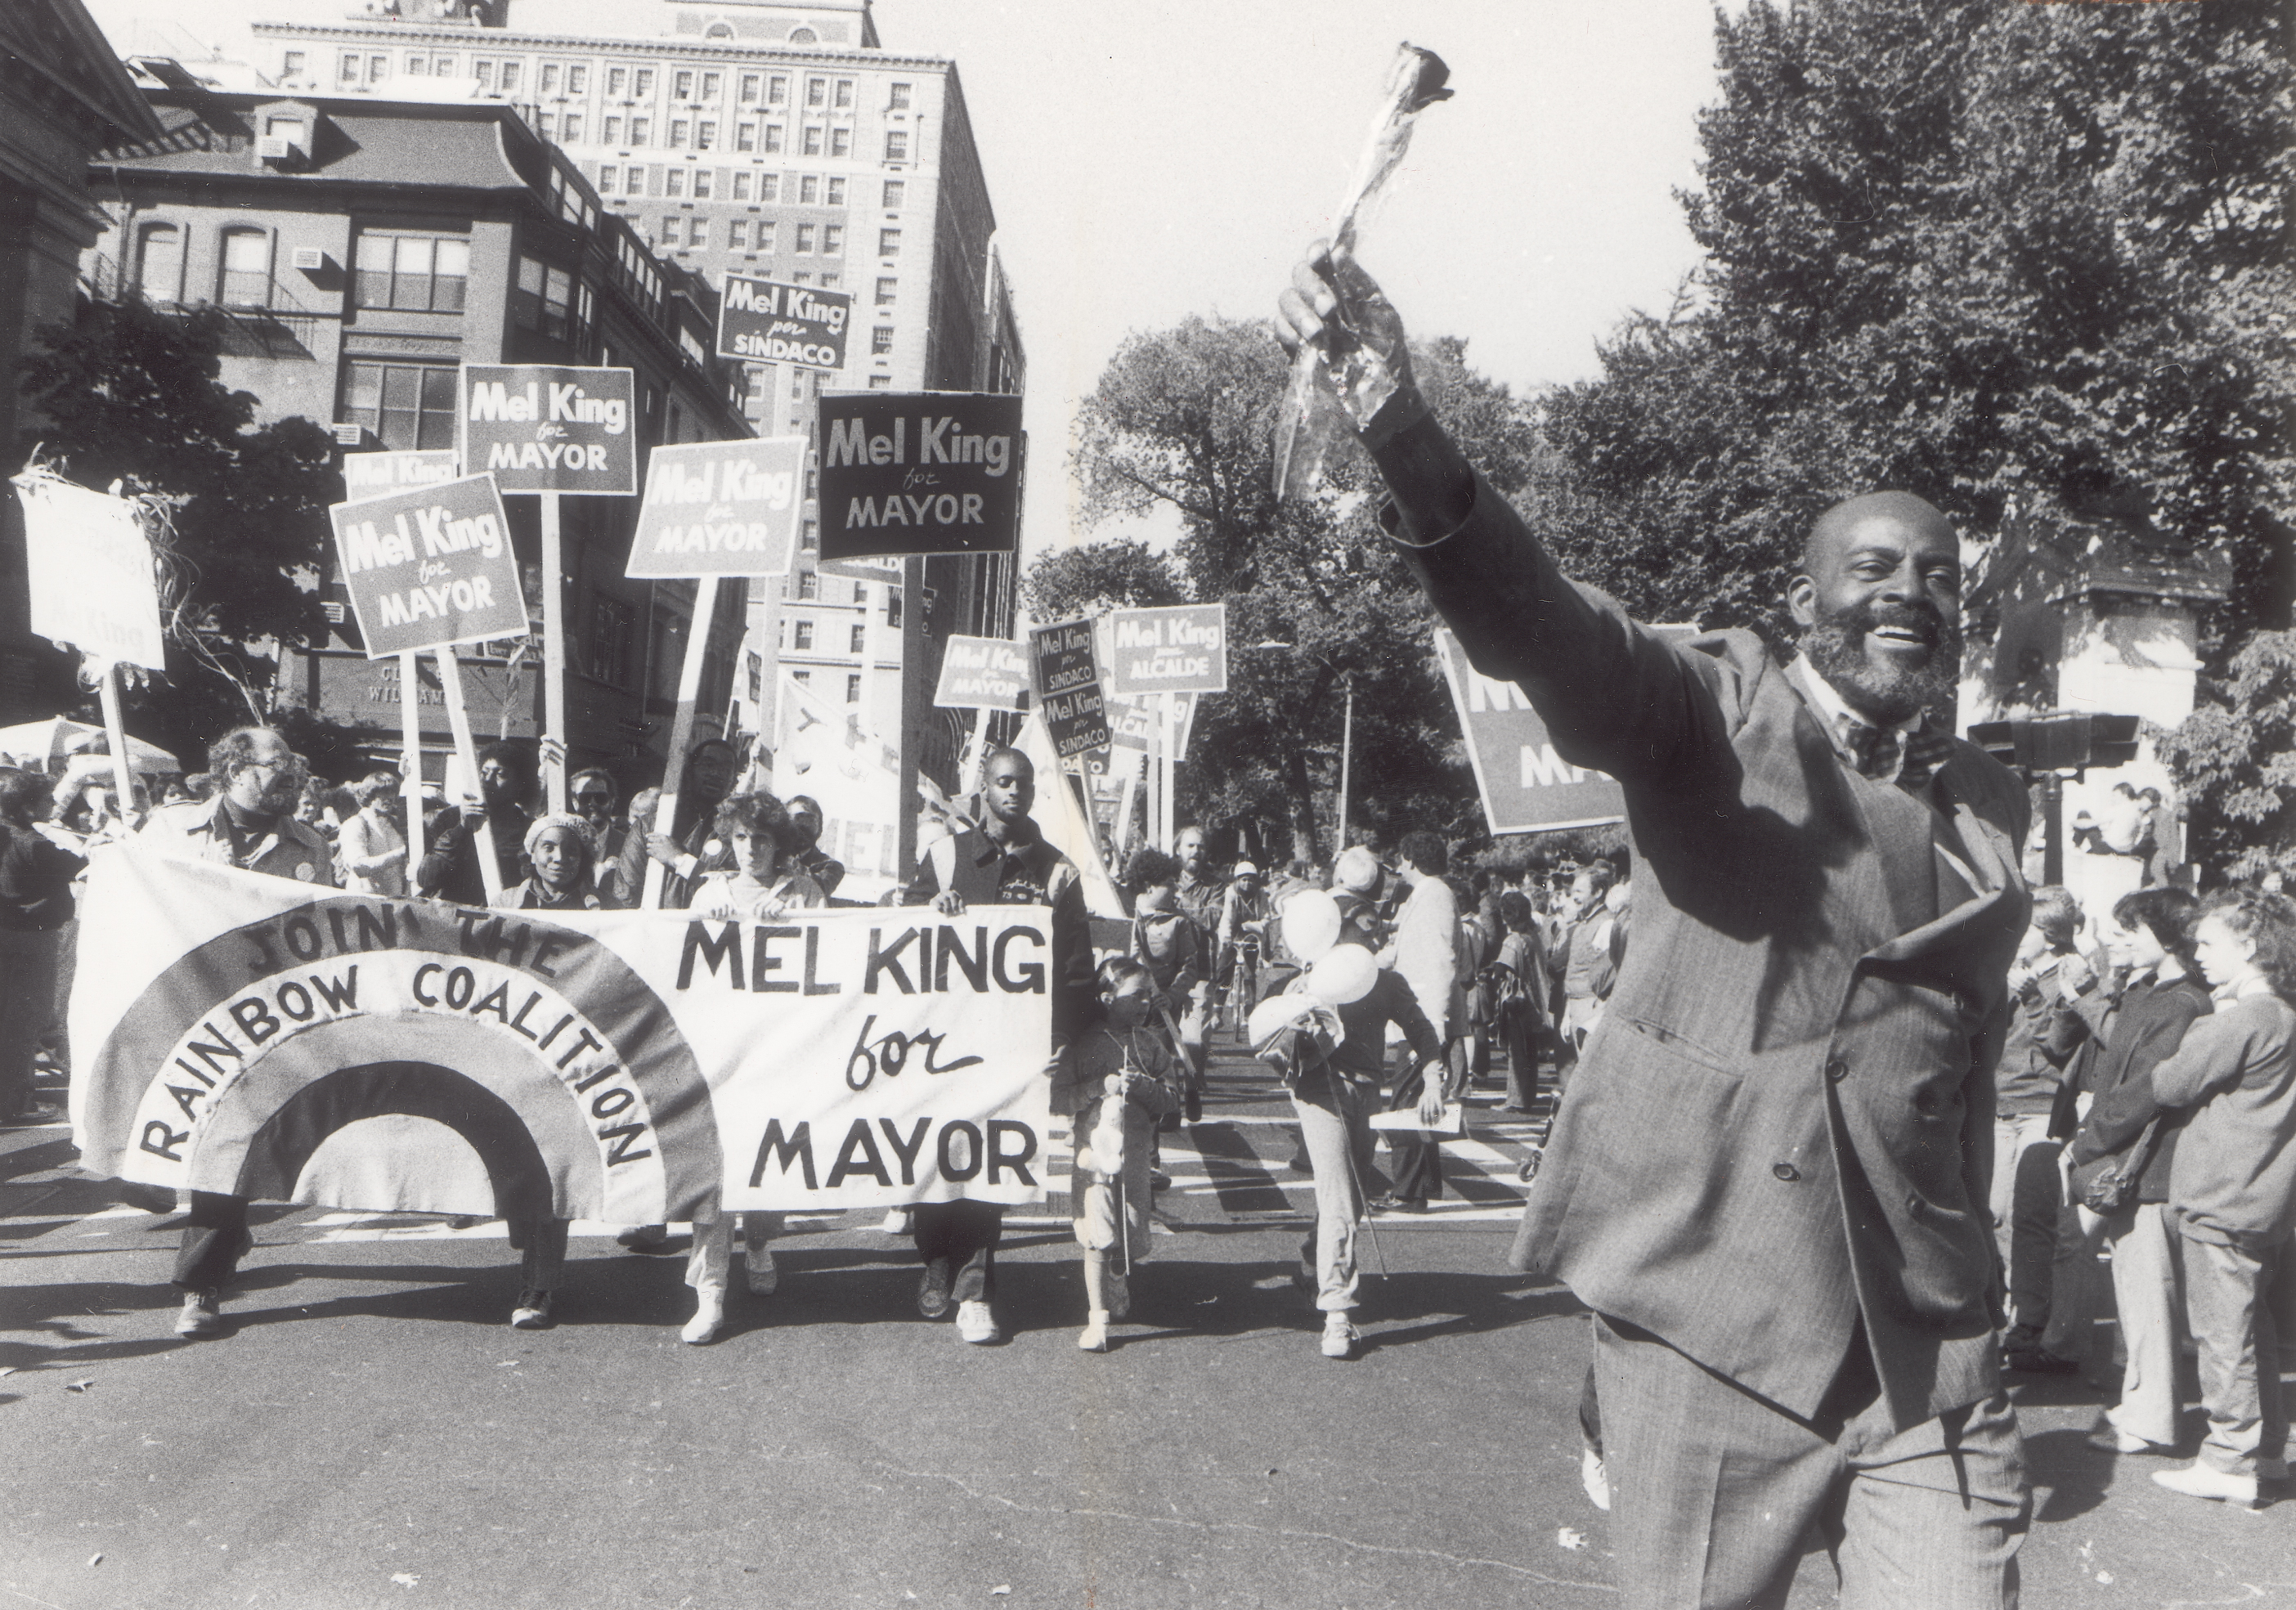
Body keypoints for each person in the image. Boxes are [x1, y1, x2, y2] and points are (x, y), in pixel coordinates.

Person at [1281, 241, 2033, 1605]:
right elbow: (1554, 633)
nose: (1908, 594)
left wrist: (1979, 1273)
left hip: (1924, 1347)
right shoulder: (1712, 709)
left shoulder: (1988, 807)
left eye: (1936, 576)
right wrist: (1398, 423)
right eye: (1873, 568)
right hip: (1713, 1316)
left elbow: (1953, 1070)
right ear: (1805, 600)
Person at [141, 727, 339, 1339]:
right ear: (232, 769)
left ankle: (202, 1287)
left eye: (294, 770)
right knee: (172, 1164)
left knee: (224, 1146)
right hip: (181, 1004)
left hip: (259, 1013)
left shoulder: (310, 843)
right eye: (275, 768)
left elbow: (327, 924)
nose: (290, 779)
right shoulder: (171, 831)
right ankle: (221, 1228)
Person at [901, 746, 1092, 1343]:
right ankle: (934, 1259)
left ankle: (976, 1289)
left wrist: (1059, 1038)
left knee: (989, 1161)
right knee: (935, 1154)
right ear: (982, 787)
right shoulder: (945, 856)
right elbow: (896, 936)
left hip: (1014, 1048)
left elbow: (1076, 970)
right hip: (941, 1040)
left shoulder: (1059, 871)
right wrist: (932, 910)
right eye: (1004, 782)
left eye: (1025, 784)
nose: (1016, 792)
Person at [2143, 891, 2296, 1507]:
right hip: (2264, 1198)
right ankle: (2266, 1453)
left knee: (2221, 1334)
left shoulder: (2242, 1017)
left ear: (2250, 945)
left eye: (2208, 943)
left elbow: (2170, 1080)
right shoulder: (2286, 1015)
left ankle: (2228, 1459)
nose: (2197, 955)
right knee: (2249, 1327)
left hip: (2220, 1197)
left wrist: (2207, 1019)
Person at [2061, 886, 2210, 1455]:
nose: (2118, 938)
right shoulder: (2148, 992)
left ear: (2166, 936)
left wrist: (2087, 1142)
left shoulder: (2181, 1003)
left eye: (2131, 929)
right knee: (2133, 1287)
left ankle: (2152, 1417)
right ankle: (2143, 1399)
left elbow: (2144, 1091)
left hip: (2150, 1167)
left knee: (2149, 1292)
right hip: (2130, 1160)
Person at [679, 790, 828, 1343]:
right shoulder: (710, 891)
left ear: (778, 842)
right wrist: (707, 923)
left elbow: (832, 963)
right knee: (716, 1172)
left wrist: (790, 925)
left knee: (770, 1163)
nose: (750, 849)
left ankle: (761, 1240)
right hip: (721, 1052)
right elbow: (681, 966)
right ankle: (710, 1290)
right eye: (741, 837)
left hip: (780, 1050)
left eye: (761, 838)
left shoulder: (804, 891)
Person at [1271, 909, 1444, 1358]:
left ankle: (1313, 1257)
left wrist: (1434, 1080)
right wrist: (1297, 1014)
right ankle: (1337, 1314)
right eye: (1359, 923)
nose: (1372, 931)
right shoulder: (1308, 981)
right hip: (1318, 1094)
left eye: (1376, 924)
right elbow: (1270, 1043)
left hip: (1366, 1094)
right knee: (1341, 1200)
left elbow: (1422, 1031)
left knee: (1349, 1194)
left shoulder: (1386, 981)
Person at [1055, 956, 1183, 1352]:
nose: (1147, 1004)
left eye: (1150, 995)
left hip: (1136, 1156)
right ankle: (1098, 1320)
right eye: (1136, 995)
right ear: (1107, 997)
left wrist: (1143, 1088)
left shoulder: (1151, 1044)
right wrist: (1099, 1085)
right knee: (1096, 1234)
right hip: (1094, 1157)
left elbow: (1172, 1103)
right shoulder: (1084, 1045)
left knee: (1129, 1232)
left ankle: (1117, 1271)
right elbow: (1059, 1099)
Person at [1993, 886, 2092, 1372]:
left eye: (2026, 928)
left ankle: (2045, 1332)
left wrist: (2029, 996)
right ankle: (2019, 1318)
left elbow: (2058, 1046)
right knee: (1998, 1218)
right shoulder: (2007, 969)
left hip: (2042, 1108)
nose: (2014, 936)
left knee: (2040, 1221)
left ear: (2050, 938)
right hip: (1999, 1104)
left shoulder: (2070, 974)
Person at [1376, 830, 1462, 1211]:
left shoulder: (1434, 896)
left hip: (1423, 1019)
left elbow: (1441, 962)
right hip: (1419, 1016)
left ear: (1409, 859)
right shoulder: (1429, 894)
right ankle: (1421, 1186)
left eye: (1400, 859)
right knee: (1418, 1104)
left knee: (1403, 1104)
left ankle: (1408, 1192)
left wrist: (1435, 1025)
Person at [0, 768, 84, 1123]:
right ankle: (16, 1104)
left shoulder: (13, 836)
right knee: (25, 1022)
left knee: (12, 1020)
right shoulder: (32, 843)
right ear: (27, 805)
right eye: (47, 799)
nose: (53, 804)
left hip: (9, 934)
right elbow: (79, 864)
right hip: (34, 939)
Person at [1124, 846, 1206, 1120]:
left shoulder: (1180, 923)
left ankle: (1168, 1105)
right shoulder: (1124, 914)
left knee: (1158, 1056)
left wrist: (1172, 996)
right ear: (1149, 886)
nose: (1176, 891)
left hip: (1161, 1006)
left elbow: (1189, 967)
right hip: (1126, 1003)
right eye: (1170, 884)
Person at [626, 738, 740, 908]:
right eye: (708, 765)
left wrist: (679, 859)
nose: (716, 773)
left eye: (726, 768)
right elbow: (626, 892)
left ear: (734, 781)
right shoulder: (651, 826)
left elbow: (736, 889)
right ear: (689, 771)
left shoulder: (738, 833)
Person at [418, 741, 533, 904]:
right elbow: (427, 878)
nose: (488, 780)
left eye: (500, 774)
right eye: (484, 772)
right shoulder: (449, 818)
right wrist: (462, 828)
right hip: (454, 915)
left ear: (519, 784)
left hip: (500, 916)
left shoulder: (527, 828)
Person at [1490, 890, 1549, 1115]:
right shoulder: (1534, 935)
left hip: (1517, 1001)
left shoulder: (1513, 940)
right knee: (1529, 1050)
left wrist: (1490, 974)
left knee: (1517, 1051)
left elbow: (1501, 969)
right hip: (1535, 1001)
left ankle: (1516, 1099)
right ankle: (1527, 1096)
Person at [334, 770, 410, 898]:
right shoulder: (355, 824)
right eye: (384, 792)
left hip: (394, 901)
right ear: (370, 794)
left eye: (392, 792)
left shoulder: (394, 824)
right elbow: (360, 867)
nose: (389, 797)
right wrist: (400, 855)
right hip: (363, 901)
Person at [567, 768, 629, 904]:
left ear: (612, 801)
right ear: (574, 802)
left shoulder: (627, 845)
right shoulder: (564, 844)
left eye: (601, 798)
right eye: (584, 798)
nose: (592, 804)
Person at [785, 794, 847, 899]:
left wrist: (796, 867)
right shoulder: (771, 858)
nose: (804, 826)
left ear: (820, 829)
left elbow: (820, 889)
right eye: (798, 819)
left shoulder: (831, 866)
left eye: (810, 821)